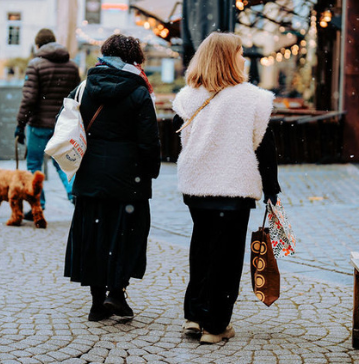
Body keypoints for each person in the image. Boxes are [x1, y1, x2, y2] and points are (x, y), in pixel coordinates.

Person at [172, 32, 280, 344]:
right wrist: (272, 190)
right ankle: (216, 325)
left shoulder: (189, 96)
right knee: (227, 256)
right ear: (229, 58)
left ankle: (194, 315)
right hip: (233, 187)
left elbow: (182, 140)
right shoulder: (253, 99)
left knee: (202, 248)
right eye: (240, 52)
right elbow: (264, 149)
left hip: (197, 185)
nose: (244, 57)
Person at [64, 34, 161, 322]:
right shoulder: (139, 92)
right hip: (127, 181)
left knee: (95, 236)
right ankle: (116, 293)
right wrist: (150, 171)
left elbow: (68, 126)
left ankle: (97, 302)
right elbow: (149, 141)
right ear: (135, 60)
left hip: (91, 175)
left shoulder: (83, 88)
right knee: (125, 236)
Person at [15, 28, 80, 209]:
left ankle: (38, 204)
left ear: (38, 45)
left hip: (38, 125)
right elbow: (77, 97)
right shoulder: (72, 66)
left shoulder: (35, 65)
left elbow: (29, 98)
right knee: (63, 163)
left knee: (34, 165)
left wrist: (20, 125)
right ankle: (74, 194)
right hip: (63, 125)